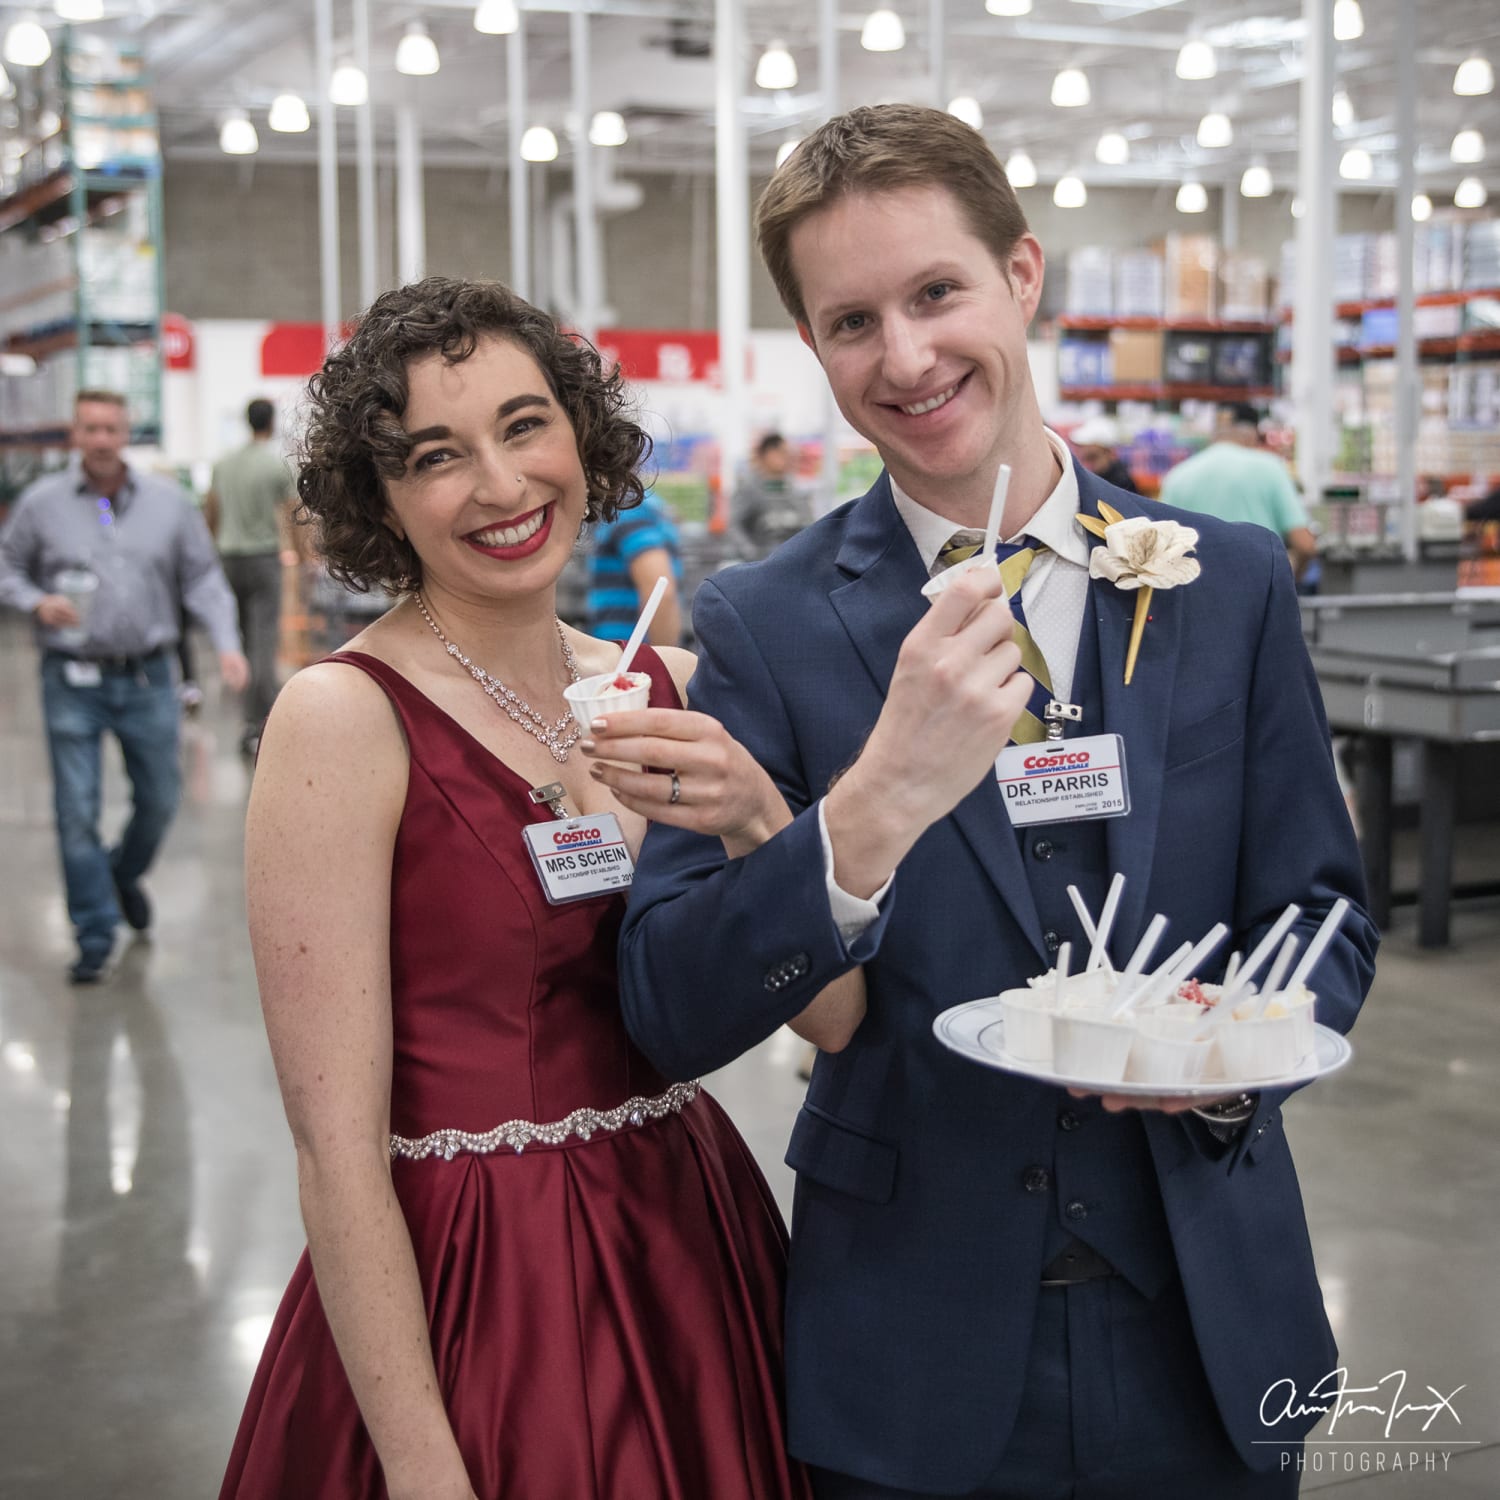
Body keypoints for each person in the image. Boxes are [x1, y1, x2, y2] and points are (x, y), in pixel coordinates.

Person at [602, 106, 1377, 1499]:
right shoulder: (767, 626)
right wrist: (869, 808)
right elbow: (670, 1002)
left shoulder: (1233, 580)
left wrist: (1229, 1071)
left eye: (937, 292)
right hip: (914, 1346)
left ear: (1022, 276)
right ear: (816, 348)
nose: (904, 358)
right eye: (851, 322)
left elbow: (1320, 914)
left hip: (1208, 1318)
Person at [219, 277, 847, 1500]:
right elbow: (333, 1146)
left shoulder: (668, 683)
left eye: (523, 426)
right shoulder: (344, 719)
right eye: (438, 456)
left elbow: (834, 1021)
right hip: (468, 1277)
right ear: (383, 498)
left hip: (683, 1241)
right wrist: (419, 1461)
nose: (502, 488)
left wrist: (761, 823)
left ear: (580, 433)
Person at [0, 389, 248, 984]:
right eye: (90, 428)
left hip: (148, 676)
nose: (102, 439)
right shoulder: (41, 505)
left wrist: (228, 642)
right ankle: (94, 931)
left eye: (111, 428)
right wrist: (37, 601)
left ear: (126, 433)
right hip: (71, 680)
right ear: (75, 434)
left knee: (161, 798)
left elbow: (203, 578)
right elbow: (7, 567)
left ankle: (121, 873)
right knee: (75, 811)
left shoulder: (169, 505)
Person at [206, 397, 297, 754]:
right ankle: (260, 720)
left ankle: (249, 715)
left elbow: (211, 511)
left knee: (242, 639)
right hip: (262, 559)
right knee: (263, 639)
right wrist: (304, 556)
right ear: (270, 423)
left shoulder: (224, 464)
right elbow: (292, 513)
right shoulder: (275, 466)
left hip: (228, 558)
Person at [1160, 403, 1318, 579]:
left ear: (1214, 433)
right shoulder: (1269, 468)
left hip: (1195, 595)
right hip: (1256, 592)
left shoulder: (1177, 476)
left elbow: (1161, 549)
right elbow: (1304, 544)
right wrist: (1291, 581)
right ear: (1252, 435)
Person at [585, 486, 683, 646]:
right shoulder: (647, 506)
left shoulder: (628, 510)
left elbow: (660, 593)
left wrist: (660, 662)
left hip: (626, 656)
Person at [731, 431, 815, 558]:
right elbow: (735, 526)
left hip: (792, 560)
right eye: (781, 452)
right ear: (767, 454)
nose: (786, 458)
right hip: (761, 561)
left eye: (788, 453)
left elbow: (808, 522)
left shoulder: (793, 488)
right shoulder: (750, 488)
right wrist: (751, 555)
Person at [1067, 414, 1141, 495]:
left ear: (1108, 452)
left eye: (1093, 457)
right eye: (1085, 459)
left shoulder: (1120, 483)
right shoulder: (1096, 479)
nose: (1087, 465)